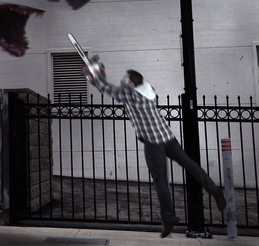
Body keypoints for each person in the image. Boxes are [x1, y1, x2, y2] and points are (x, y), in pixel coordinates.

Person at [83, 58, 226, 238]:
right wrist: (97, 75)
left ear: (130, 83)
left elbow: (108, 89)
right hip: (168, 138)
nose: (122, 80)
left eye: (125, 79)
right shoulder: (148, 90)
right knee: (190, 165)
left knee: (160, 181)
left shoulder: (132, 95)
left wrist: (96, 72)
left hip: (154, 144)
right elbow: (110, 88)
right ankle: (215, 192)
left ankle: (168, 218)